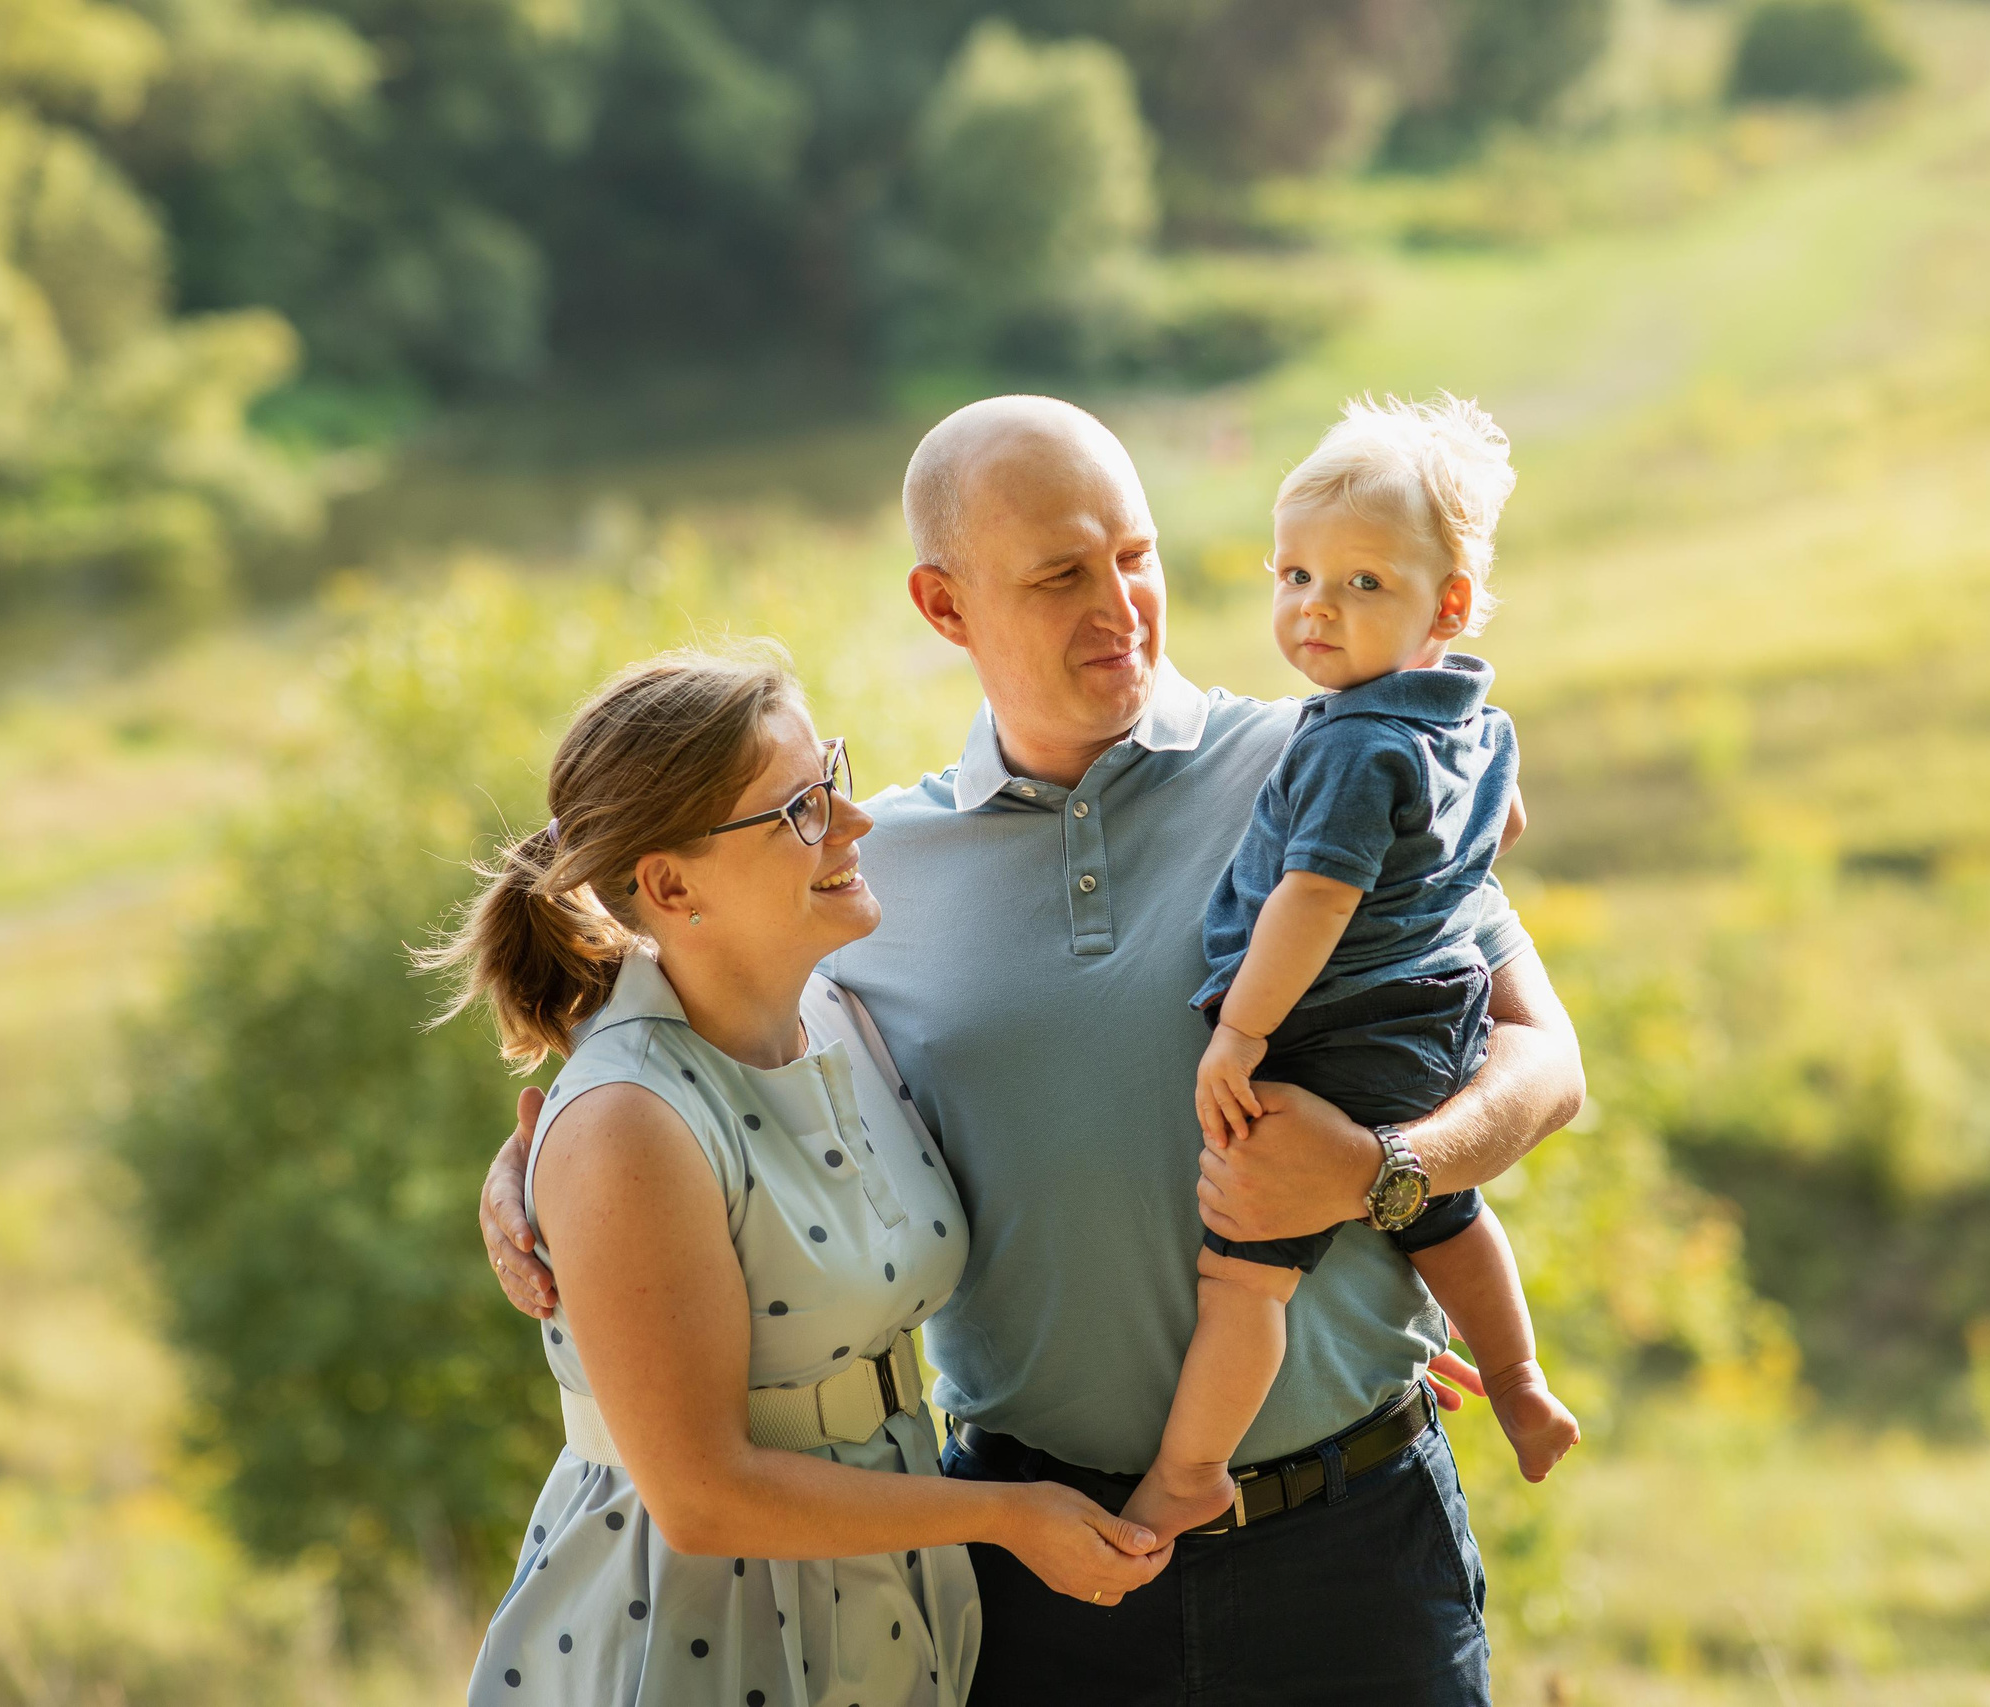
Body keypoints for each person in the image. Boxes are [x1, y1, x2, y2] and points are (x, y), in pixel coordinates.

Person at [483, 396, 1588, 1706]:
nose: (1118, 605)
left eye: (1135, 555)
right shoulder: (863, 877)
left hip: (1355, 1546)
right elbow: (681, 1047)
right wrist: (526, 1171)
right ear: (943, 605)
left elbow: (1544, 1059)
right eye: (1061, 574)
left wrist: (1386, 1169)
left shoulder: (1331, 765)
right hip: (1033, 1576)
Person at [430, 648, 1167, 1707]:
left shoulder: (838, 1010)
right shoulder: (625, 1120)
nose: (852, 821)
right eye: (799, 812)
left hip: (879, 1594)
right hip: (703, 1624)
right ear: (670, 885)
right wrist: (1009, 1516)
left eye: (830, 777)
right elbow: (703, 1499)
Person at [1125, 395, 1580, 1546]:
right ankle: (1519, 1382)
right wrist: (1433, 879)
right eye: (1294, 577)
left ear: (1448, 604)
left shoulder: (1352, 740)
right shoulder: (1473, 719)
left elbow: (1315, 898)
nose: (1314, 608)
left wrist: (1239, 1033)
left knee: (1246, 1278)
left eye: (1361, 582)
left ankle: (1190, 1470)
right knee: (1446, 1215)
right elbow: (1505, 823)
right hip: (1438, 1019)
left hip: (1336, 1030)